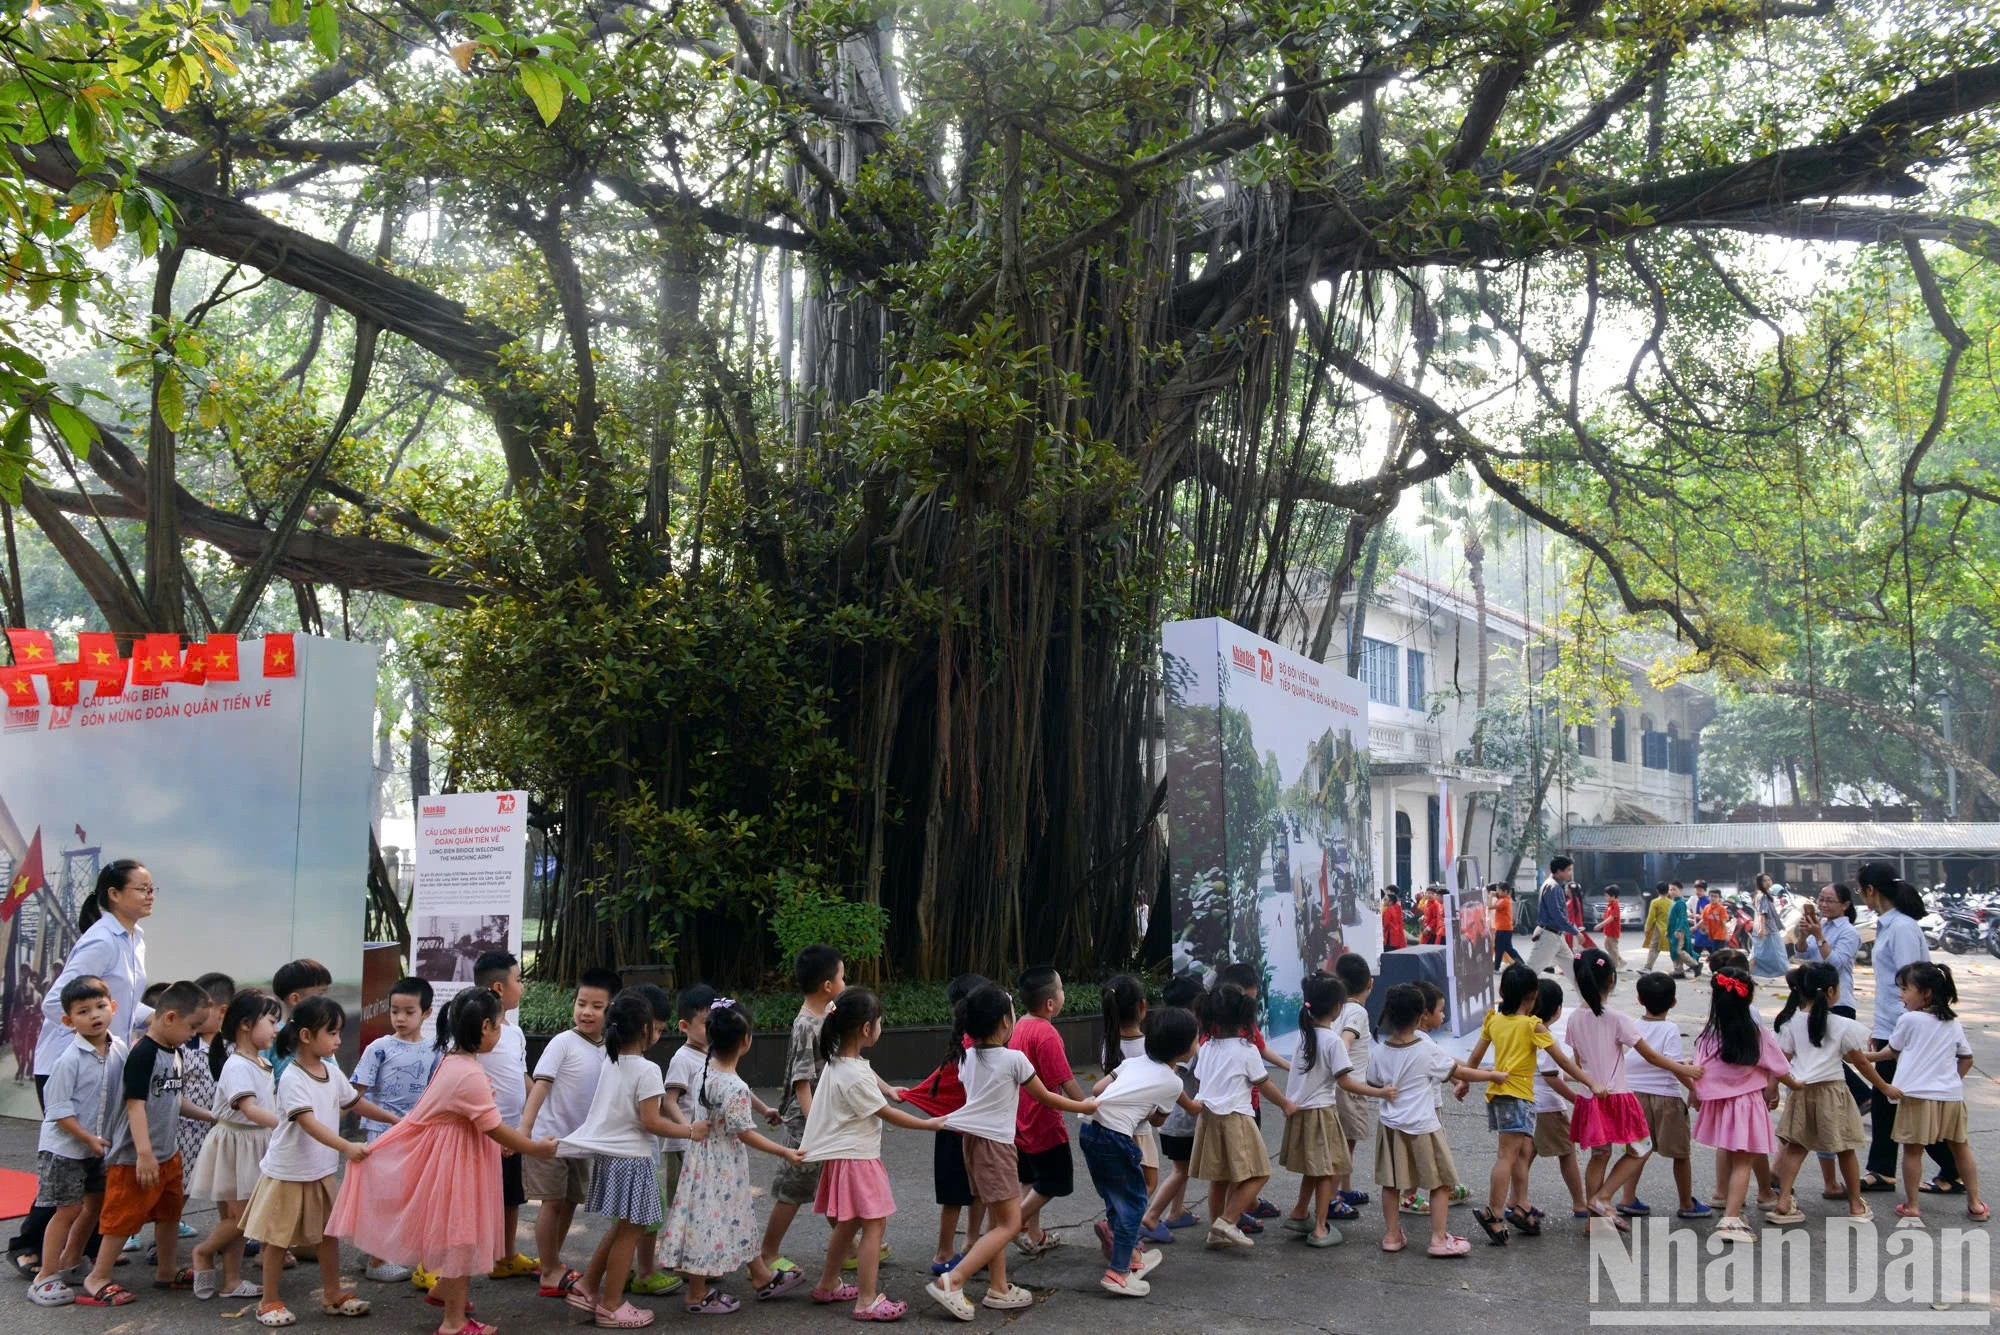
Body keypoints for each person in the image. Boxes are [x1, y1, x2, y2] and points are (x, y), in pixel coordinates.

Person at [329, 990, 561, 1335]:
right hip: (456, 1164)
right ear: (485, 1027)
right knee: (461, 1238)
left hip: (458, 1156)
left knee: (461, 1234)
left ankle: (444, 1292)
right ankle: (454, 1323)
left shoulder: (455, 1062)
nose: (500, 1033)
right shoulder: (467, 1072)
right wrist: (535, 1148)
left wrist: (499, 1143)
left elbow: (474, 1121)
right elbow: (493, 1126)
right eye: (498, 1026)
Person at [12, 860, 153, 1280]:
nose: (150, 896)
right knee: (67, 1159)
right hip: (68, 1065)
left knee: (98, 1160)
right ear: (114, 893)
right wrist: (86, 1040)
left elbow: (121, 1005)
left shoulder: (135, 939)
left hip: (106, 1062)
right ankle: (29, 1246)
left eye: (152, 889)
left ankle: (84, 1248)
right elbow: (55, 1002)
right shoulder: (101, 940)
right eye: (141, 888)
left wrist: (156, 1017)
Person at [925, 981, 1097, 1321]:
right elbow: (1047, 1096)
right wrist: (1086, 1105)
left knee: (997, 1218)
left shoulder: (967, 1057)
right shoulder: (1014, 1059)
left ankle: (999, 1287)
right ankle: (953, 1281)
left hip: (972, 1145)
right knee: (1009, 1223)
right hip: (996, 1148)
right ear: (1005, 1022)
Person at [559, 991, 724, 1325]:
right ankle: (611, 1305)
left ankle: (589, 1286)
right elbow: (651, 1121)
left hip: (612, 1158)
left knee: (622, 1228)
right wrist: (690, 1130)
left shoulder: (611, 1062)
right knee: (629, 1234)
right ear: (646, 1030)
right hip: (632, 1160)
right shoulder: (647, 1070)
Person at [241, 996, 396, 1327]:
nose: (338, 1040)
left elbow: (355, 1102)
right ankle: (268, 1302)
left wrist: (396, 1120)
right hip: (288, 1172)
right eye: (332, 1033)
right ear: (306, 1036)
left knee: (328, 1236)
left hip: (319, 1170)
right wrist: (346, 1147)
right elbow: (308, 1123)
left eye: (339, 1032)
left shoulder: (331, 1071)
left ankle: (332, 1293)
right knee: (277, 1240)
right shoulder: (293, 1078)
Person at [801, 987, 946, 1319]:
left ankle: (827, 1283)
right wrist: (929, 1124)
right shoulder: (853, 1076)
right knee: (874, 1226)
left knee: (848, 1224)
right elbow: (887, 1113)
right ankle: (867, 1301)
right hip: (859, 1160)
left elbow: (867, 1074)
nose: (881, 1027)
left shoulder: (841, 1060)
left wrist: (888, 1088)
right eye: (880, 1022)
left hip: (845, 1157)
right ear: (867, 1028)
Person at [657, 1000, 809, 1314]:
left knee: (731, 1215)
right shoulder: (733, 1086)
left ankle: (761, 1276)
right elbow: (744, 1132)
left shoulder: (704, 1069)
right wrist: (784, 1150)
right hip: (722, 1164)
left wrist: (760, 1108)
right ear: (746, 1041)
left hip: (702, 1159)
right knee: (708, 1221)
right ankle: (696, 1294)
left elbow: (734, 1096)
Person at [75, 979, 212, 1308]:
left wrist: (211, 1116)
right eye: (192, 1026)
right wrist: (144, 1154)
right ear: (170, 1017)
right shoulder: (144, 1053)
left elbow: (175, 1099)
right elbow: (135, 1105)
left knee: (169, 1214)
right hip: (135, 1158)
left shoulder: (175, 1052)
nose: (193, 1033)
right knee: (122, 1217)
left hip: (168, 1155)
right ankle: (98, 1277)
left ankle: (167, 1269)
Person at [1457, 964, 1596, 1243]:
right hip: (1517, 1097)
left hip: (1498, 1096)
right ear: (1533, 996)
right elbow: (1563, 1062)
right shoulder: (1532, 1025)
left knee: (1522, 1152)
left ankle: (1521, 1204)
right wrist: (1592, 1084)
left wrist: (1465, 1081)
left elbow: (1474, 1057)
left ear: (1501, 992)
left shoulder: (1493, 1020)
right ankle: (1494, 1213)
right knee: (1507, 1156)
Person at [1564, 950, 1701, 1231]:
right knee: (1641, 1147)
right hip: (1616, 1096)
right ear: (1612, 979)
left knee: (1599, 1155)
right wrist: (1686, 1071)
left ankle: (1594, 1222)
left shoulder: (1575, 1018)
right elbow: (1650, 1056)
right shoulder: (1616, 1017)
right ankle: (1603, 1198)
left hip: (1591, 1096)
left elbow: (1578, 1061)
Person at [1368, 984, 1499, 1257]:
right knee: (1440, 1183)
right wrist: (1492, 1075)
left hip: (1390, 1128)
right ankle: (1439, 1239)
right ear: (1420, 1017)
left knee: (1391, 1184)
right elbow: (1459, 1071)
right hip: (1423, 1127)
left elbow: (1373, 1081)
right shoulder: (1425, 1050)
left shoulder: (1379, 1051)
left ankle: (1392, 1235)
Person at [1855, 864, 1957, 1194]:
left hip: (1907, 1026)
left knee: (1908, 1099)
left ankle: (1952, 1167)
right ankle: (1883, 1170)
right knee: (1885, 1099)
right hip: (1892, 1024)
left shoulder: (1901, 928)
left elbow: (1915, 984)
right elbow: (1891, 986)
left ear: (1871, 890)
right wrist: (1881, 1026)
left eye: (1860, 890)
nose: (1861, 896)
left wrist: (1909, 1030)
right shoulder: (1888, 925)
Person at [1766, 963, 1892, 1223]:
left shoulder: (1790, 1022)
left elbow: (1781, 1062)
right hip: (1833, 1093)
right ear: (1832, 991)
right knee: (1844, 1148)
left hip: (1801, 1091)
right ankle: (1856, 1205)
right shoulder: (1843, 1025)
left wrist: (1772, 1088)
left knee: (1795, 1148)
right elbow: (1861, 1063)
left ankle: (1783, 1202)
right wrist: (1884, 1087)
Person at [520, 967, 618, 1299]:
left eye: (596, 1006)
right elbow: (540, 1086)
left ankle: (552, 1262)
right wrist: (525, 1130)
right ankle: (549, 1269)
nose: (586, 1012)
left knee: (571, 1201)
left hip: (582, 1141)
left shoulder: (609, 1048)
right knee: (551, 1202)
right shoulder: (562, 1042)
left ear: (611, 1009)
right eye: (581, 1003)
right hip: (549, 1138)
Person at [1082, 1005, 1193, 1296]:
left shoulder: (1132, 1063)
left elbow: (1098, 1090)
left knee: (1115, 1195)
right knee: (1133, 1203)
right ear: (1184, 1048)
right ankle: (1118, 1272)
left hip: (1089, 1130)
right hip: (1115, 1138)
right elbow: (1157, 1120)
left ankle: (1130, 1255)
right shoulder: (1172, 1081)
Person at [1279, 974, 1394, 1247]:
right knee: (1327, 1170)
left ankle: (1299, 1211)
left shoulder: (1304, 1036)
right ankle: (1320, 1227)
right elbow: (1346, 1082)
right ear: (1337, 1008)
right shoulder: (1332, 1041)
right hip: (1321, 1113)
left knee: (1315, 1168)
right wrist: (1380, 1092)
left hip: (1302, 1112)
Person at [26, 977, 120, 1308]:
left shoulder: (119, 1049)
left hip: (98, 1147)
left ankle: (71, 1261)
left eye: (100, 1006)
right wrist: (89, 1138)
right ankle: (45, 1276)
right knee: (67, 1209)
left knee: (94, 1204)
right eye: (83, 1011)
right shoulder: (68, 1060)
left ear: (113, 1007)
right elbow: (58, 1112)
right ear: (68, 1021)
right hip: (64, 1149)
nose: (94, 1015)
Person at [188, 989, 284, 1301]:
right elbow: (250, 1109)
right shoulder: (238, 1065)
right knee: (243, 1218)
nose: (276, 1029)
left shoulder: (259, 1061)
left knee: (237, 1219)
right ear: (246, 1024)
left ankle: (231, 1281)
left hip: (252, 1142)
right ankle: (204, 1252)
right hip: (236, 1144)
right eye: (271, 1021)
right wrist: (288, 1124)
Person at [893, 974, 991, 1275]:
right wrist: (909, 1094)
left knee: (976, 1191)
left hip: (970, 1130)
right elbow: (944, 1084)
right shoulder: (972, 1045)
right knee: (957, 1196)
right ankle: (944, 1253)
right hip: (955, 1131)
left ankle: (971, 1244)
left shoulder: (973, 1041)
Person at [758, 945, 846, 1277]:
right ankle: (767, 1253)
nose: (845, 982)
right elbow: (801, 1082)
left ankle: (849, 1246)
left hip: (823, 1117)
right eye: (842, 977)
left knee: (827, 1180)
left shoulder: (827, 1014)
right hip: (807, 1122)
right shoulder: (806, 1024)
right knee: (793, 1188)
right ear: (827, 985)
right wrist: (815, 1125)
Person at [1189, 983, 1296, 1251]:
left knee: (1219, 1178)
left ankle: (1216, 1231)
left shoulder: (1207, 1047)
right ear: (1245, 1015)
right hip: (1236, 1119)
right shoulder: (1246, 1049)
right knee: (1260, 1173)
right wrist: (1285, 1104)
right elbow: (1264, 1084)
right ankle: (1227, 1221)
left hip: (1208, 1118)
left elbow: (1200, 1078)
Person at [1878, 962, 1987, 1223]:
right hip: (1950, 1097)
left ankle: (1913, 1206)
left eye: (1905, 989)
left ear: (1925, 993)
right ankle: (1975, 1204)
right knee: (1961, 1148)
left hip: (1916, 1096)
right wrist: (1951, 1081)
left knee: (1913, 1151)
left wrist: (1860, 1056)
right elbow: (1967, 1059)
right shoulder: (1952, 1023)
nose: (1901, 995)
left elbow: (1891, 1052)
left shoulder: (1909, 1019)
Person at [1691, 968, 1790, 1244]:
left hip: (1722, 1106)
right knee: (1743, 1163)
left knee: (1732, 1156)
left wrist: (1695, 1095)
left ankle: (1728, 1206)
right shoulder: (1757, 1034)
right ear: (1749, 998)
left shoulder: (1708, 1036)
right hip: (1748, 1105)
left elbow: (1700, 1071)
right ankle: (1731, 1219)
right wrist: (1794, 1084)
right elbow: (1780, 1067)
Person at [353, 977, 439, 1284]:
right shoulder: (378, 1048)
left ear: (426, 1012)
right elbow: (355, 1095)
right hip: (381, 1133)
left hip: (415, 1134)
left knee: (404, 1195)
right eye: (394, 1011)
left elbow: (435, 1092)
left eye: (409, 1011)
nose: (400, 1018)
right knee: (382, 1195)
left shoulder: (435, 1050)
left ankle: (375, 1249)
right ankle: (376, 1259)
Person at [1615, 973, 1704, 1221]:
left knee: (1637, 1149)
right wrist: (1694, 1089)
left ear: (1639, 999)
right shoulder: (1669, 1029)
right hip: (1665, 1099)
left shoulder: (1633, 1025)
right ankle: (1686, 1203)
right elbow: (1673, 1067)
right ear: (1674, 1002)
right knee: (1680, 1153)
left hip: (1634, 1096)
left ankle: (1627, 1198)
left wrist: (1681, 1064)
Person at [471, 951, 538, 1283]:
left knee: (511, 1196)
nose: (522, 987)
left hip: (511, 1130)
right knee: (470, 1200)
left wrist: (540, 1105)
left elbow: (521, 1076)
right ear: (499, 987)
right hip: (482, 1133)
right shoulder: (476, 1031)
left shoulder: (514, 1032)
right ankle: (439, 1266)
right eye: (519, 980)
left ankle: (505, 1256)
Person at [1011, 966, 1087, 1254]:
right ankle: (1012, 1226)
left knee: (1031, 1179)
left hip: (1021, 1118)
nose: (1065, 992)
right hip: (1044, 1123)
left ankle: (1034, 1235)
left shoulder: (1020, 1025)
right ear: (1051, 1003)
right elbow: (1066, 1081)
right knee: (1053, 1180)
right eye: (1062, 988)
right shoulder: (1047, 1034)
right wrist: (1089, 1108)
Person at [1137, 974, 1206, 1239]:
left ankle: (1176, 1212)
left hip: (1172, 1119)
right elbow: (1178, 1075)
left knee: (1182, 1168)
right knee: (1181, 1170)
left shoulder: (1166, 1033)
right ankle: (1152, 1216)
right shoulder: (1183, 1039)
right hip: (1181, 1120)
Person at [1526, 979, 1589, 1220]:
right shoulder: (1546, 1037)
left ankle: (1516, 1200)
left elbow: (1551, 1071)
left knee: (1524, 1155)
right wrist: (1576, 1099)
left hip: (1527, 1102)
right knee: (1567, 1152)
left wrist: (1581, 1078)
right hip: (1547, 1106)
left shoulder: (1525, 1031)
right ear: (1558, 1010)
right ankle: (1580, 1203)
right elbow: (1551, 1076)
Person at [1099, 975, 1159, 1204]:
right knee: (1148, 1182)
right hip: (1139, 1126)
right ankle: (1122, 1221)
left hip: (1113, 1124)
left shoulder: (1109, 1044)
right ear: (1142, 1006)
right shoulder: (1150, 1047)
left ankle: (1118, 1218)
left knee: (1123, 1182)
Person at [1329, 954, 1375, 1219]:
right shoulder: (1357, 1011)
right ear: (1370, 983)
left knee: (1347, 1141)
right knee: (1344, 1145)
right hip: (1350, 1088)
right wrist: (1343, 1069)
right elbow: (1346, 1041)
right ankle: (1332, 1199)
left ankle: (1344, 1189)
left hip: (1340, 1086)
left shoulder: (1336, 1008)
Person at [1526, 858, 1578, 978]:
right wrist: (1575, 932)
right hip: (1549, 935)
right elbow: (1557, 915)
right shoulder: (1552, 887)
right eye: (1568, 870)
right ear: (1559, 871)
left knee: (1574, 971)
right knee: (1530, 973)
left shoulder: (1555, 886)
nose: (1570, 873)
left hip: (1556, 935)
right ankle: (1513, 990)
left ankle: (1586, 991)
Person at [1750, 874, 1787, 977]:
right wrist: (1762, 929)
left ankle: (1748, 973)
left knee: (1757, 953)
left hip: (1764, 928)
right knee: (1777, 952)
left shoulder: (1761, 895)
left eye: (1769, 880)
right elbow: (1762, 913)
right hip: (1768, 929)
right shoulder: (1763, 896)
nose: (1768, 882)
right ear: (1760, 883)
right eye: (1765, 881)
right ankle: (1785, 972)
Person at [1640, 884, 1673, 972]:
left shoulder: (1655, 902)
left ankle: (1648, 967)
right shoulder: (1672, 903)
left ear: (1657, 891)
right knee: (1673, 949)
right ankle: (1679, 968)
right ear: (1668, 891)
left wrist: (1646, 928)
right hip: (1670, 929)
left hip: (1658, 928)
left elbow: (1651, 917)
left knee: (1653, 947)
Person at [1489, 884, 1524, 967]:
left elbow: (1490, 907)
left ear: (1505, 892)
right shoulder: (1504, 899)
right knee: (1508, 949)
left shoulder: (1504, 900)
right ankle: (1522, 964)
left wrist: (1490, 896)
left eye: (1499, 890)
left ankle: (1496, 967)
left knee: (1499, 948)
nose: (1497, 892)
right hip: (1505, 928)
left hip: (1503, 928)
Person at [1597, 888, 1624, 973]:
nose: (1605, 897)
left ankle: (1615, 966)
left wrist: (1600, 925)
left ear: (1613, 896)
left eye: (1607, 896)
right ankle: (1620, 961)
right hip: (1608, 930)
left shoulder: (1615, 905)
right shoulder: (1610, 904)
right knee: (1608, 946)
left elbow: (1612, 918)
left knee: (1613, 948)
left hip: (1613, 931)